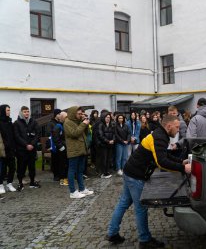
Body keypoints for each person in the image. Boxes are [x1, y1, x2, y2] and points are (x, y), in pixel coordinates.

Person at [107, 115, 192, 248]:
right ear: (168, 126)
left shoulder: (160, 135)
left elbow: (164, 154)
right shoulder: (160, 137)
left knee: (124, 202)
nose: (178, 130)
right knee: (141, 207)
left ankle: (112, 233)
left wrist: (180, 161)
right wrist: (183, 168)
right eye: (176, 127)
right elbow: (161, 162)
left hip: (130, 171)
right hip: (135, 175)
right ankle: (144, 240)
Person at [64, 106, 93, 199]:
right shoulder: (67, 122)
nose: (81, 115)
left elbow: (85, 132)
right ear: (73, 113)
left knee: (80, 171)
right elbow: (74, 133)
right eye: (79, 114)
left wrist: (84, 122)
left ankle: (82, 189)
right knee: (72, 171)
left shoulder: (78, 122)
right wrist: (83, 124)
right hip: (74, 150)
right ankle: (72, 191)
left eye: (81, 114)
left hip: (81, 149)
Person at [14, 106, 41, 191]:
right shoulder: (17, 123)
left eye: (28, 111)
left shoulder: (33, 122)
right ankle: (20, 183)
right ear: (21, 112)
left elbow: (37, 134)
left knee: (32, 167)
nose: (26, 113)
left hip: (32, 149)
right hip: (21, 150)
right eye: (25, 112)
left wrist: (32, 144)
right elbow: (17, 136)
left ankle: (32, 182)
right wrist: (26, 145)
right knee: (21, 167)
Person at [0, 105, 17, 193]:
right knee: (2, 169)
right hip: (2, 150)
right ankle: (1, 185)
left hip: (11, 149)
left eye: (9, 110)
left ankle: (9, 183)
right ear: (3, 111)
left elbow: (12, 135)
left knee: (12, 167)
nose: (9, 111)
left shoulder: (9, 122)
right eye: (7, 110)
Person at [52, 111, 69, 186]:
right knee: (62, 164)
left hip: (66, 148)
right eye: (66, 117)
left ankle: (65, 178)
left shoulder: (65, 125)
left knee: (66, 164)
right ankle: (62, 179)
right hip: (62, 149)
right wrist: (62, 148)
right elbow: (56, 139)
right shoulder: (58, 126)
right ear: (62, 118)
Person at [97, 112, 115, 179]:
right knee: (104, 159)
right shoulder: (101, 125)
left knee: (108, 159)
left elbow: (114, 133)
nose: (108, 119)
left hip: (110, 145)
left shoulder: (111, 125)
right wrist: (108, 141)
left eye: (109, 117)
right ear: (104, 118)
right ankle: (103, 173)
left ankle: (107, 171)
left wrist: (113, 140)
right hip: (103, 145)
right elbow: (100, 135)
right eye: (107, 117)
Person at [46, 109, 62, 181]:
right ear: (56, 115)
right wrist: (50, 145)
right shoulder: (51, 123)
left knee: (60, 159)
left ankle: (61, 173)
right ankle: (56, 175)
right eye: (59, 114)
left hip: (60, 143)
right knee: (55, 160)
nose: (60, 115)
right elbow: (49, 133)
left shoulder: (61, 122)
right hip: (54, 144)